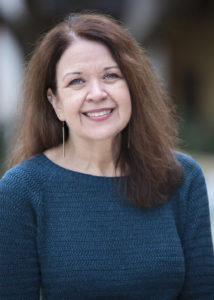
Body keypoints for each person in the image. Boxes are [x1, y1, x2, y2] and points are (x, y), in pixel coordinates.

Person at [0, 12, 214, 300]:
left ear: (132, 88)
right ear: (56, 103)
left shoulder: (181, 177)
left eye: (111, 75)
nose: (97, 93)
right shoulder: (23, 189)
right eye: (77, 82)